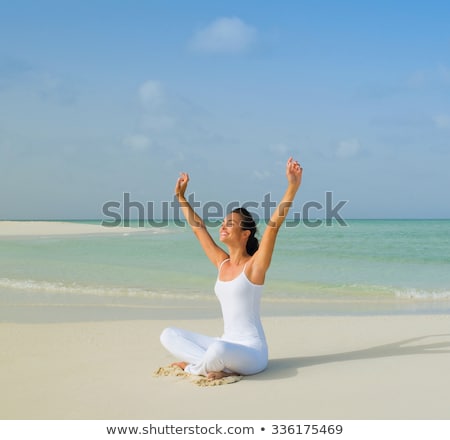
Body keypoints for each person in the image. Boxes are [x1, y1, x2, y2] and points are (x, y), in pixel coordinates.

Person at [160, 157, 303, 380]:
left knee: (218, 351)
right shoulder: (222, 263)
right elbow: (199, 230)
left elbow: (273, 227)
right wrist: (180, 197)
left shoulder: (254, 266)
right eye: (224, 222)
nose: (223, 226)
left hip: (252, 353)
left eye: (230, 223)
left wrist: (292, 186)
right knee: (168, 335)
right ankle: (213, 367)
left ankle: (194, 367)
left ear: (245, 234)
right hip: (226, 343)